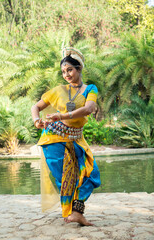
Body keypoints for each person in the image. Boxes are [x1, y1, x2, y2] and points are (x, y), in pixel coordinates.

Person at [31, 47, 101, 226]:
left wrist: (61, 115)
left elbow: (88, 109)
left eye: (70, 69)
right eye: (63, 71)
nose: (66, 74)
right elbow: (36, 107)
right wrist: (37, 120)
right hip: (53, 138)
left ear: (79, 68)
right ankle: (73, 213)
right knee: (64, 178)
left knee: (91, 174)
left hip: (76, 138)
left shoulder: (90, 89)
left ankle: (75, 212)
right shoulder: (58, 90)